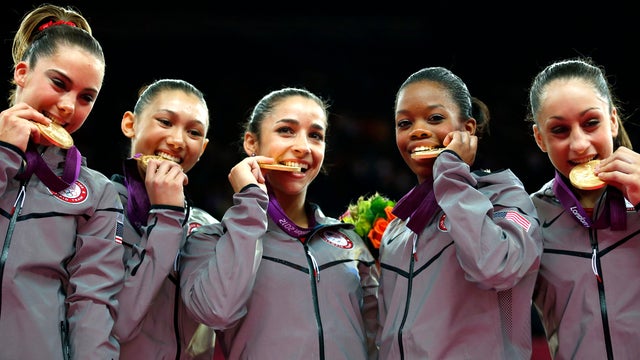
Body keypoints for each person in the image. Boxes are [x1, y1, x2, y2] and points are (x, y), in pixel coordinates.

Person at [180, 87, 379, 360]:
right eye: (286, 130)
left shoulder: (351, 241)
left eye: (315, 136)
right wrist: (250, 202)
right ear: (251, 143)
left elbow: (379, 337)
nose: (303, 146)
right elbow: (216, 311)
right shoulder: (210, 240)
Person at [377, 66, 543, 359]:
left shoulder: (505, 199)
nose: (417, 130)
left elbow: (494, 269)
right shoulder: (398, 228)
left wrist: (451, 172)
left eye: (435, 118)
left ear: (467, 129)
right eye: (404, 123)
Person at [0, 4, 125, 359]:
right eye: (59, 83)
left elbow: (93, 306)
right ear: (22, 72)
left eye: (86, 97)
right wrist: (5, 152)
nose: (70, 106)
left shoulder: (97, 193)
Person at [526, 57, 640, 359]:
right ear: (540, 138)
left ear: (612, 121)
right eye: (560, 130)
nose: (578, 145)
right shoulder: (528, 218)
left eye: (591, 123)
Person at [110, 78, 225, 359]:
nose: (177, 141)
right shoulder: (99, 205)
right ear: (130, 124)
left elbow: (220, 317)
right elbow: (117, 325)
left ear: (204, 148)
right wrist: (167, 217)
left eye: (194, 132)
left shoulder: (208, 228)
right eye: (164, 122)